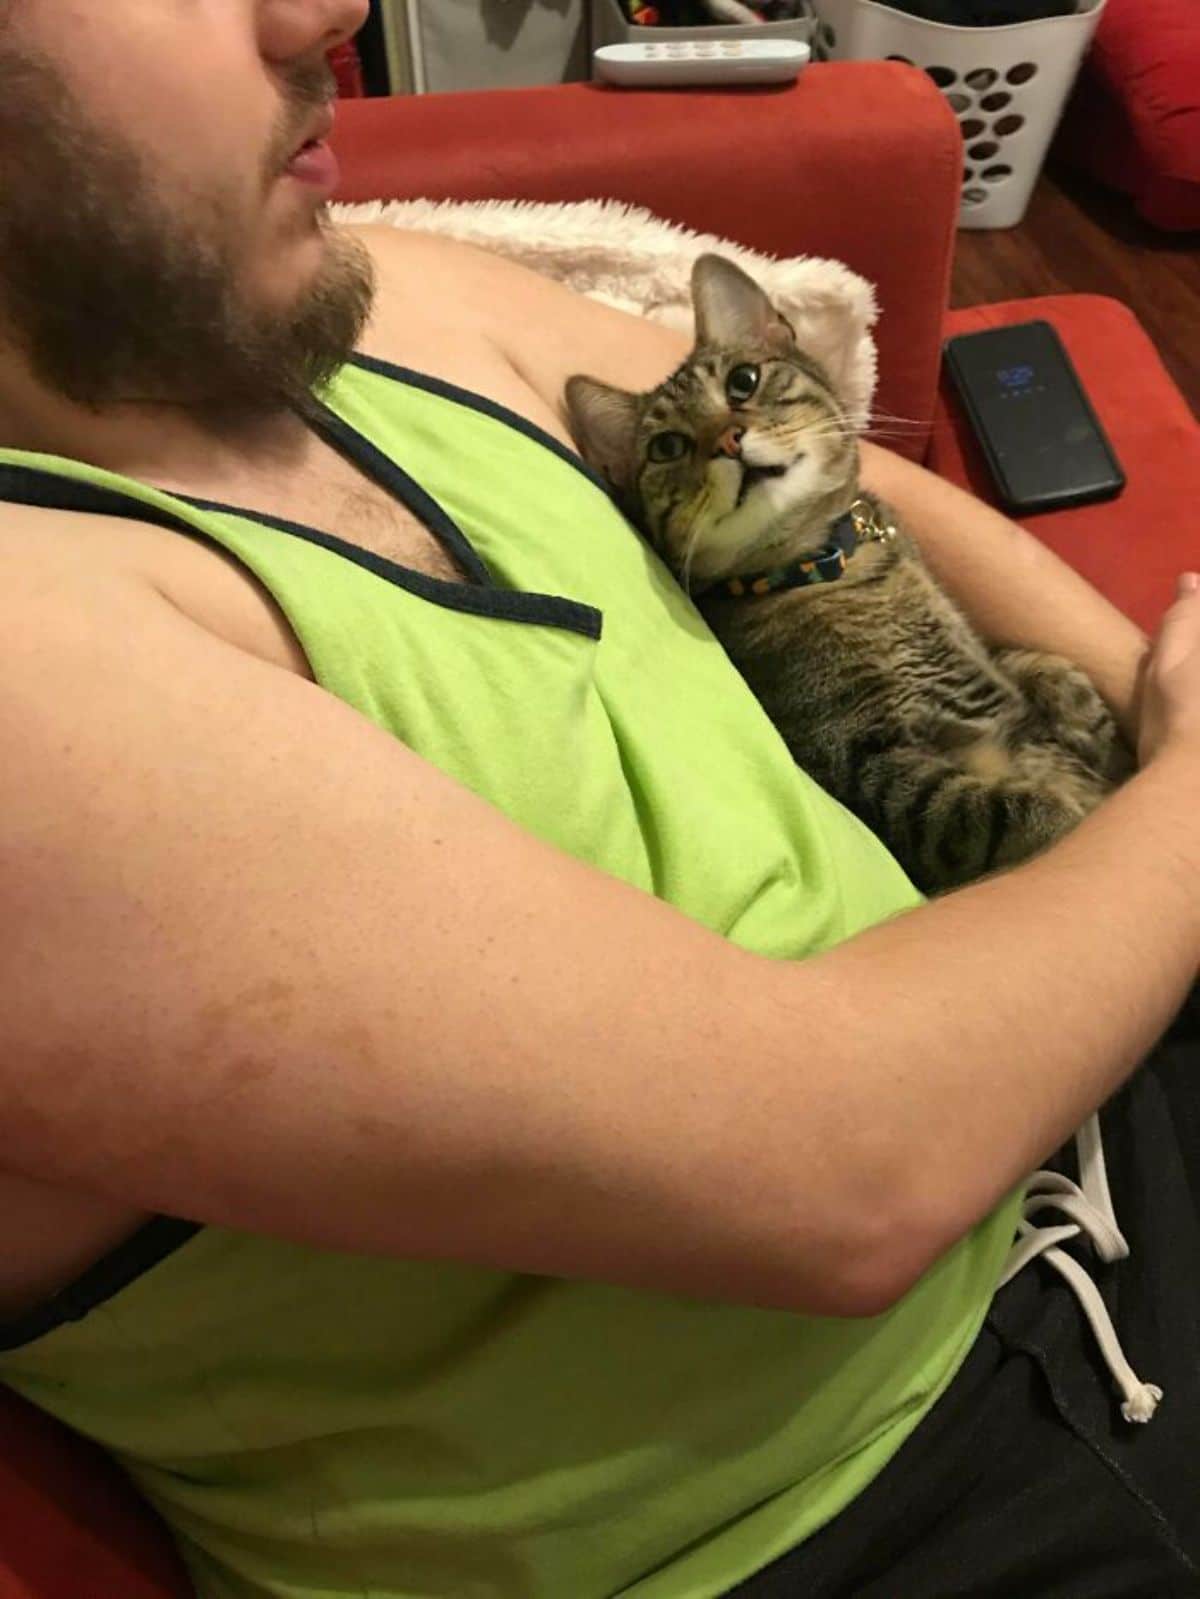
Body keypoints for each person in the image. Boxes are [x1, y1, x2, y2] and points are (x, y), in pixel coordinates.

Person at [1, 2, 1198, 1595]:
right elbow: (851, 1169)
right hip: (886, 1495)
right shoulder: (41, 665)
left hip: (1072, 1085)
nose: (325, 11)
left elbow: (862, 478)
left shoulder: (369, 292)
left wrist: (1151, 694)